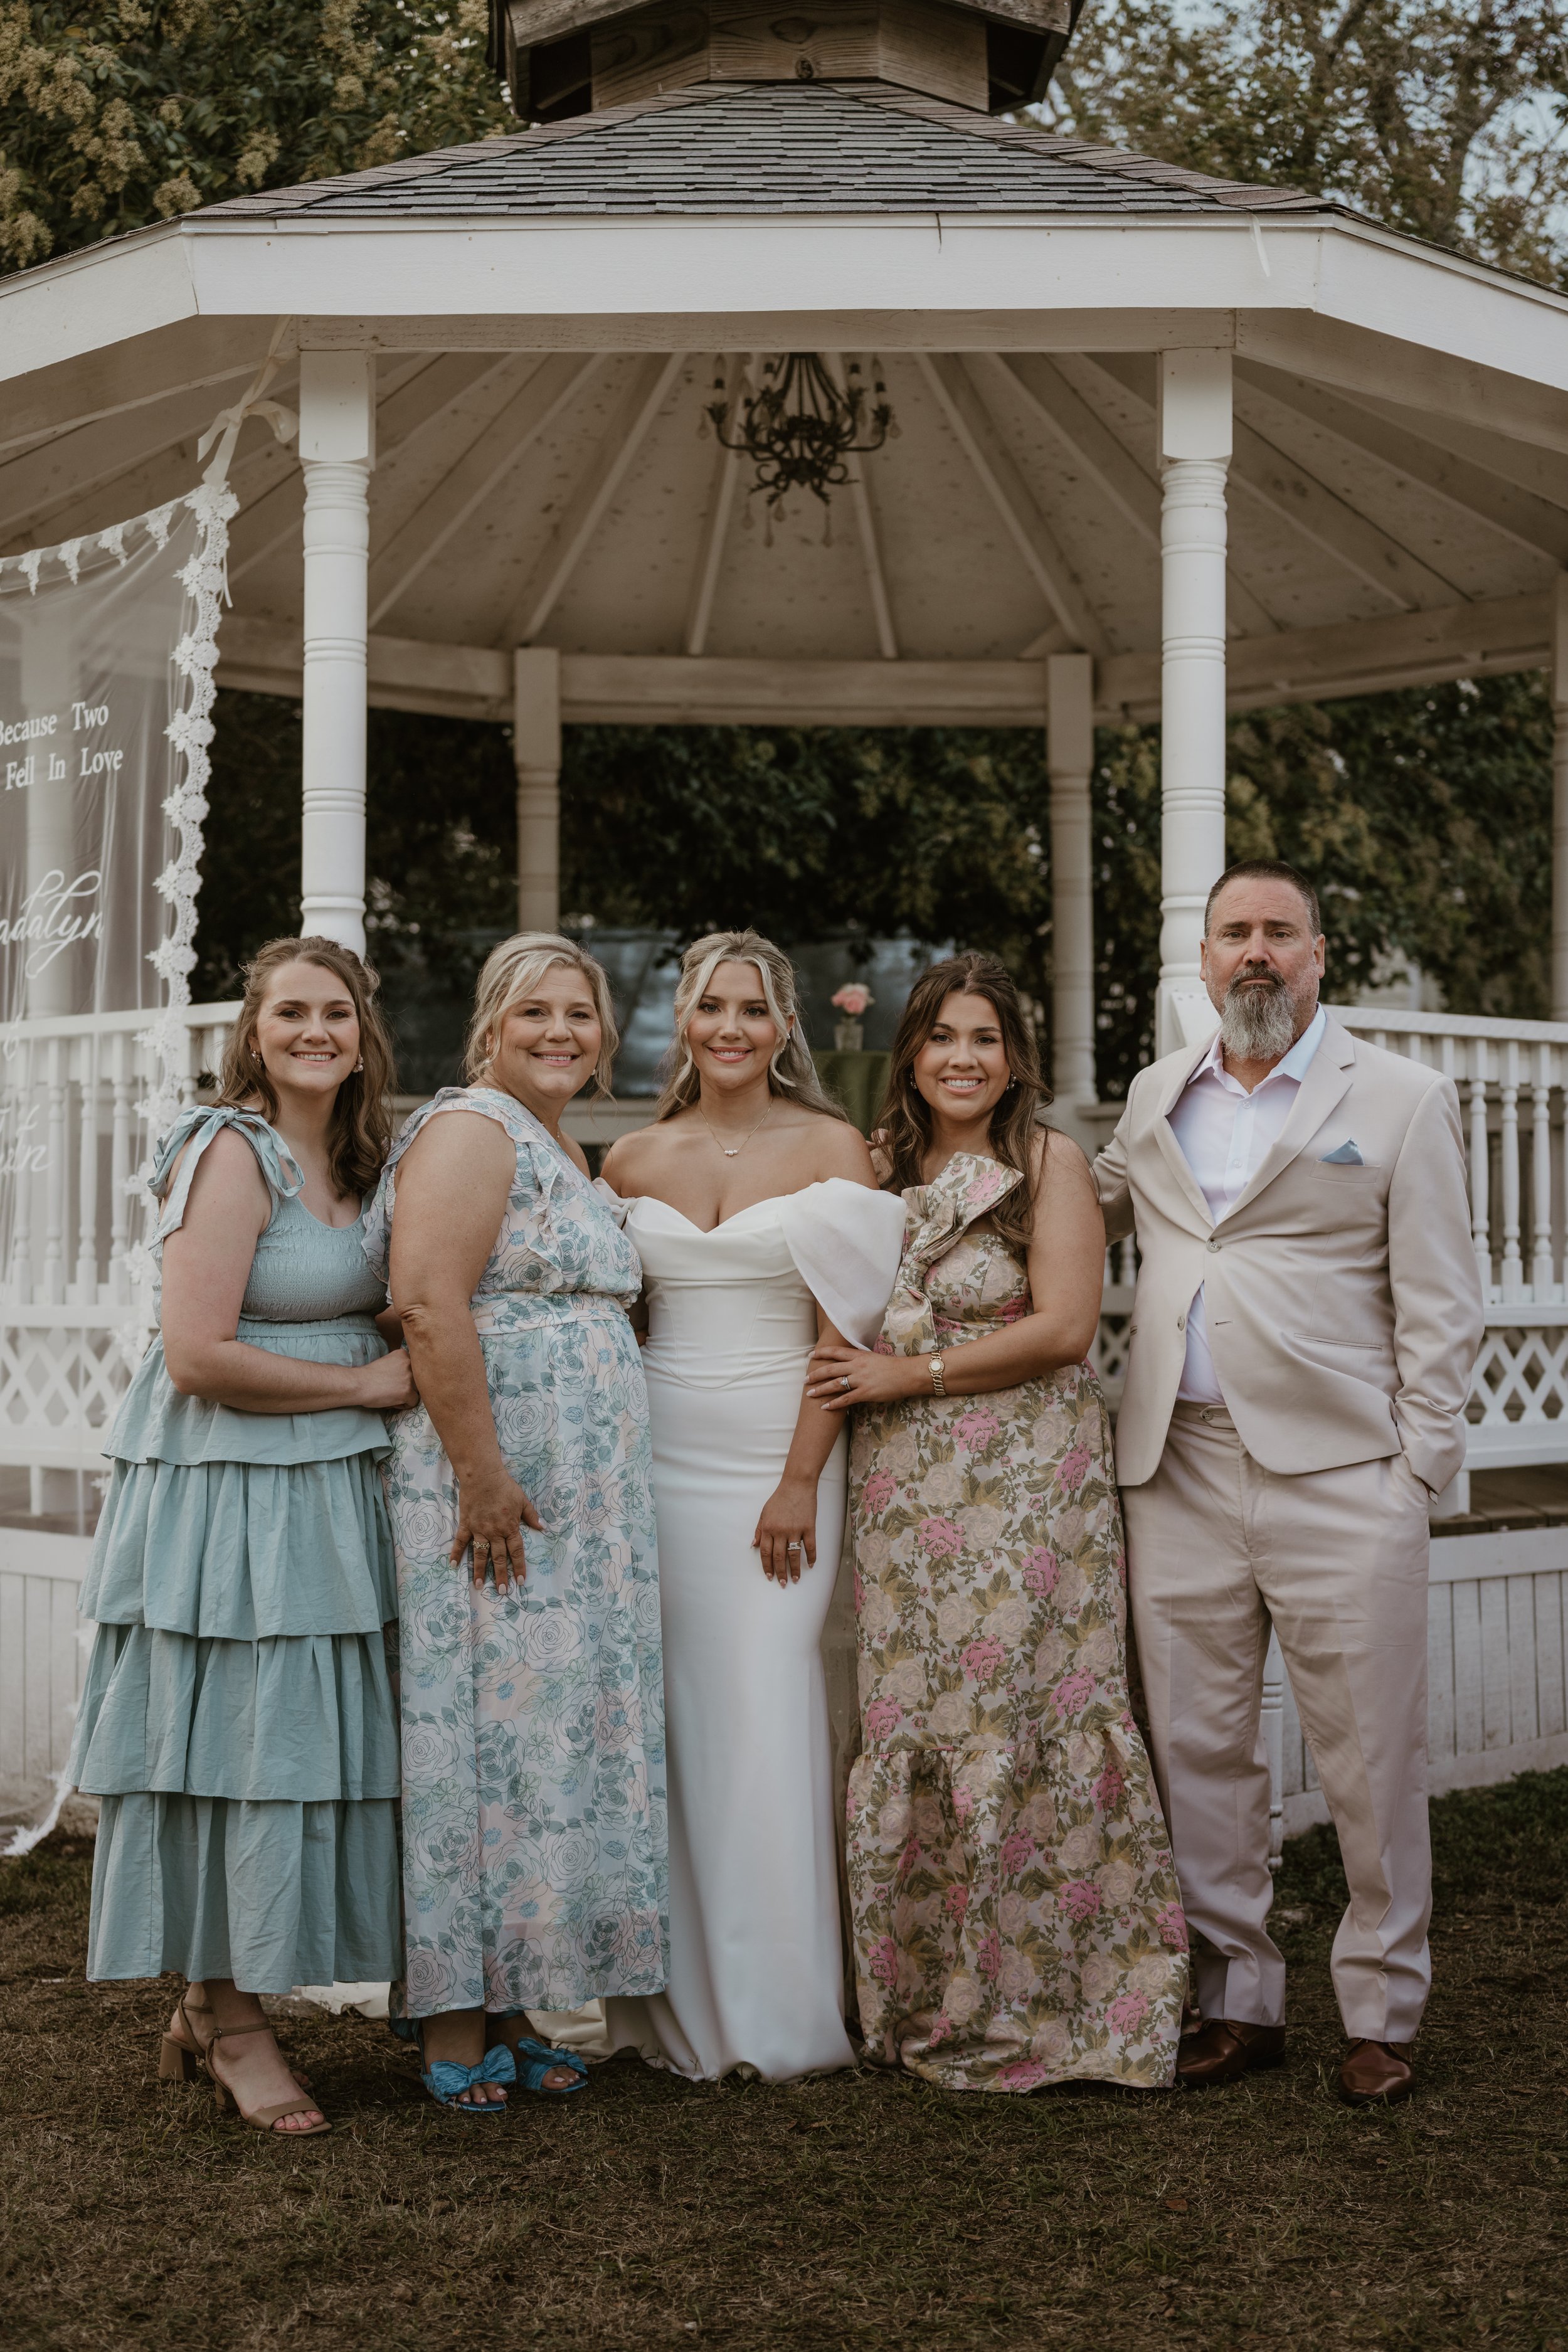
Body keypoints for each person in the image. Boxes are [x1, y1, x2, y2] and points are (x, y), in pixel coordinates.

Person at [1092, 860, 1484, 2106]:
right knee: (1198, 1747)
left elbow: (1440, 1301)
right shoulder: (1159, 1093)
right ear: (1201, 960)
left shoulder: (1402, 1098)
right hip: (1178, 1466)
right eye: (1231, 934)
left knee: (1367, 1755)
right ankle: (1235, 1999)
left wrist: (1414, 1466)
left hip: (1341, 1470)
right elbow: (1079, 1209)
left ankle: (1377, 2010)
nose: (1253, 953)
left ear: (1317, 954)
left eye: (1277, 932)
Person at [807, 953, 1186, 2093]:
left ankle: (1054, 1998)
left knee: (1021, 1710)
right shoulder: (876, 1172)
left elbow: (1066, 1327)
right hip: (903, 1495)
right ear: (909, 1056)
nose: (963, 1058)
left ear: (1015, 1056)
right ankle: (921, 1994)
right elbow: (830, 1327)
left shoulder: (1045, 1162)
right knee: (918, 1714)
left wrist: (907, 1376)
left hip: (1028, 1483)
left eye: (986, 1038)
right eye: (941, 1037)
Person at [69, 937, 413, 2136]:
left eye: (337, 1012)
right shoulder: (229, 1150)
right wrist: (369, 1391)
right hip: (234, 1487)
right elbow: (198, 1353)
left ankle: (216, 1996)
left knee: (298, 1739)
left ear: (364, 1030)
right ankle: (231, 2017)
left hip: (325, 1492)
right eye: (292, 1014)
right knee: (230, 1739)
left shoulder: (363, 1159)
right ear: (253, 1034)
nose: (316, 1032)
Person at [366, 932, 666, 2114]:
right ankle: (450, 2018)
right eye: (535, 1011)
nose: (561, 1032)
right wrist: (481, 1474)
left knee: (541, 1749)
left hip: (574, 1500)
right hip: (492, 1486)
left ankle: (516, 1999)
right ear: (492, 1022)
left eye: (580, 1015)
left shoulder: (551, 1140)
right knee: (478, 1741)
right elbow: (428, 1305)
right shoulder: (470, 1128)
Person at [598, 930, 906, 2082]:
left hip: (781, 1457)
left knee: (769, 1708)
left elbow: (847, 1334)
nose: (731, 1027)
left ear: (786, 1028)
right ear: (683, 1021)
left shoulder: (832, 1148)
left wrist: (795, 1477)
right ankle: (661, 2007)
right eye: (710, 1006)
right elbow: (610, 1318)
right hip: (657, 1464)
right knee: (676, 1721)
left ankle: (779, 2014)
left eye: (754, 1009)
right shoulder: (630, 1157)